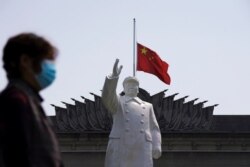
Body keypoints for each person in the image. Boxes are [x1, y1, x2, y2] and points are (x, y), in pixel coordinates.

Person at [0, 33, 64, 167]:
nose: (51, 69)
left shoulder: (30, 101)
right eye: (47, 62)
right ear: (25, 61)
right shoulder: (16, 101)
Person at [102, 59, 162, 167]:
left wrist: (156, 144)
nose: (131, 86)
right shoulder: (118, 102)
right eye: (128, 84)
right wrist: (113, 78)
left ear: (138, 89)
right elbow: (107, 97)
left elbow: (154, 128)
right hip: (121, 144)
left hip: (142, 147)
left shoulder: (148, 106)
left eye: (134, 85)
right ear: (124, 88)